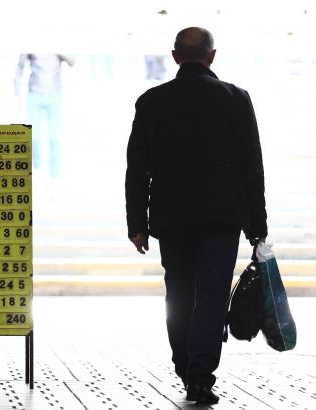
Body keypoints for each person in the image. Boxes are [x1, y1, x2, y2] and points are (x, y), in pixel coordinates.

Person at [125, 27, 268, 405]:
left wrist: (137, 223)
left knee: (179, 293)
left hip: (172, 217)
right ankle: (200, 376)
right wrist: (258, 224)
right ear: (212, 56)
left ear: (175, 56)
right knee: (212, 295)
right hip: (223, 217)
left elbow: (137, 168)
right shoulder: (235, 98)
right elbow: (252, 166)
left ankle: (185, 366)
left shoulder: (152, 101)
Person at [15, 54, 75, 179]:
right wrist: (16, 86)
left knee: (54, 138)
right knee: (33, 136)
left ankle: (54, 174)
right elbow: (20, 65)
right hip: (34, 94)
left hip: (54, 95)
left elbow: (72, 62)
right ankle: (36, 166)